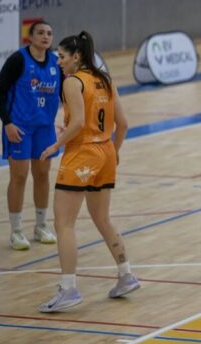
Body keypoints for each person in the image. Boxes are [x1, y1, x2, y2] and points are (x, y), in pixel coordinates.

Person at [38, 31, 140, 312]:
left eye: (61, 56)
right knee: (102, 217)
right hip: (105, 150)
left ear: (76, 56)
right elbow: (124, 123)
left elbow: (78, 123)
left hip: (82, 151)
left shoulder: (73, 82)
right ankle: (125, 274)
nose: (58, 62)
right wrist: (114, 151)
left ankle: (68, 288)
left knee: (64, 223)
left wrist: (55, 145)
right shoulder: (105, 79)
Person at [0, 21, 60, 250]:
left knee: (42, 175)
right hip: (19, 127)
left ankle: (41, 225)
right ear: (30, 37)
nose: (45, 36)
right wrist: (7, 123)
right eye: (40, 32)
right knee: (19, 176)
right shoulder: (18, 60)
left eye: (49, 33)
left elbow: (66, 92)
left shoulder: (56, 62)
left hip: (45, 128)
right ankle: (16, 230)